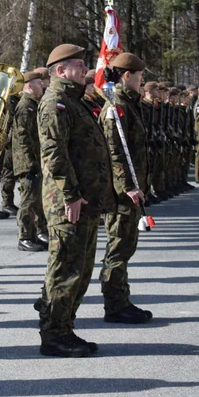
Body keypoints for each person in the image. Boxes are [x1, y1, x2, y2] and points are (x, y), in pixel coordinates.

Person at [35, 44, 113, 358]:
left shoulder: (73, 101)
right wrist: (71, 194)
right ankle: (54, 335)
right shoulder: (56, 103)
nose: (85, 70)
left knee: (79, 268)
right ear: (60, 71)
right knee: (66, 268)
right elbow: (55, 154)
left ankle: (64, 326)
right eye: (78, 65)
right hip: (69, 200)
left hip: (85, 198)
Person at [98, 53, 154, 324]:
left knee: (126, 245)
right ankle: (115, 303)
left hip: (133, 187)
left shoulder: (130, 104)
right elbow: (114, 152)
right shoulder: (116, 107)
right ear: (127, 75)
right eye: (140, 75)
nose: (143, 80)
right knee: (119, 246)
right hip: (122, 192)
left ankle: (121, 299)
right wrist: (128, 186)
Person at [11, 68, 48, 252]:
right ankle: (24, 237)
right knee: (27, 201)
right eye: (38, 83)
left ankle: (33, 235)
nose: (41, 85)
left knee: (35, 200)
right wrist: (29, 162)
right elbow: (22, 137)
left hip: (35, 160)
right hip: (27, 162)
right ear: (28, 85)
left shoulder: (33, 104)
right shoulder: (25, 106)